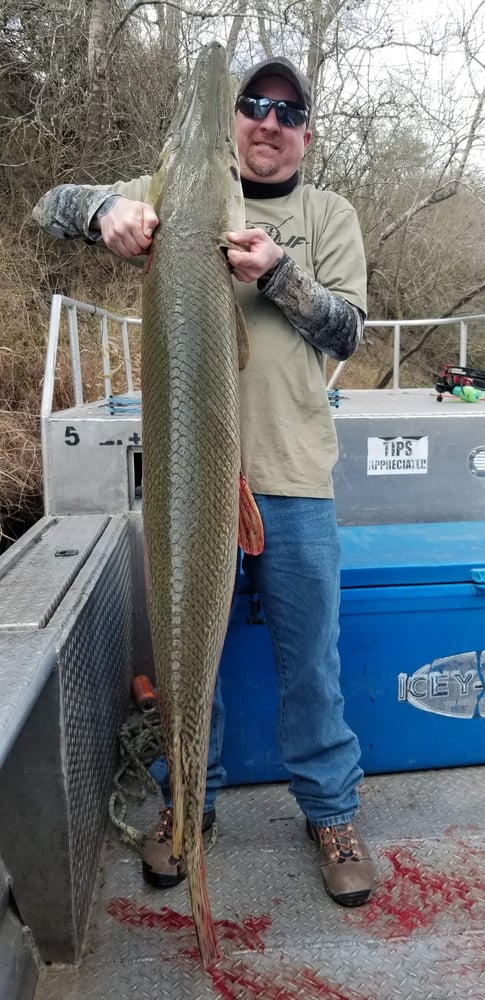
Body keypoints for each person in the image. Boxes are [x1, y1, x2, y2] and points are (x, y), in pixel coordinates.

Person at [33, 55, 375, 908]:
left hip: (293, 479)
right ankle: (190, 807)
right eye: (253, 105)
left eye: (287, 112)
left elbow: (347, 329)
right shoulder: (173, 189)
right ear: (232, 120)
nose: (268, 121)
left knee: (311, 667)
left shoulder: (327, 214)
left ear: (306, 131)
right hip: (190, 482)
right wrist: (104, 210)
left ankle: (330, 813)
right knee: (194, 662)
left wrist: (278, 274)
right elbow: (49, 208)